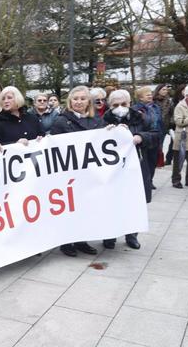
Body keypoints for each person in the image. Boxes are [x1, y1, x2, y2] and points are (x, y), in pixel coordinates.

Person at [49, 85, 106, 257]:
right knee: (69, 208)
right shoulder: (61, 121)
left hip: (89, 173)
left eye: (82, 99)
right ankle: (66, 242)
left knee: (86, 207)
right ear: (70, 101)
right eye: (75, 99)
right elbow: (53, 147)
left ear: (88, 101)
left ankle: (82, 240)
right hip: (69, 174)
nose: (79, 102)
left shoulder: (97, 121)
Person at [101, 90, 159, 250]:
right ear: (110, 106)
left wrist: (140, 137)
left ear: (129, 103)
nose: (120, 107)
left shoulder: (141, 117)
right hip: (112, 170)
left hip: (136, 167)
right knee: (110, 203)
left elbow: (155, 135)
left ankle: (132, 235)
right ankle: (109, 235)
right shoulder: (103, 120)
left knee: (134, 202)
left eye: (123, 104)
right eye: (115, 105)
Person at [132, 86, 162, 190]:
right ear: (140, 98)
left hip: (155, 136)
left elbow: (159, 121)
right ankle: (144, 181)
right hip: (144, 138)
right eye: (147, 94)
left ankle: (150, 181)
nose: (150, 95)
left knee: (153, 161)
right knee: (145, 161)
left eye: (150, 93)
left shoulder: (155, 107)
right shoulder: (136, 109)